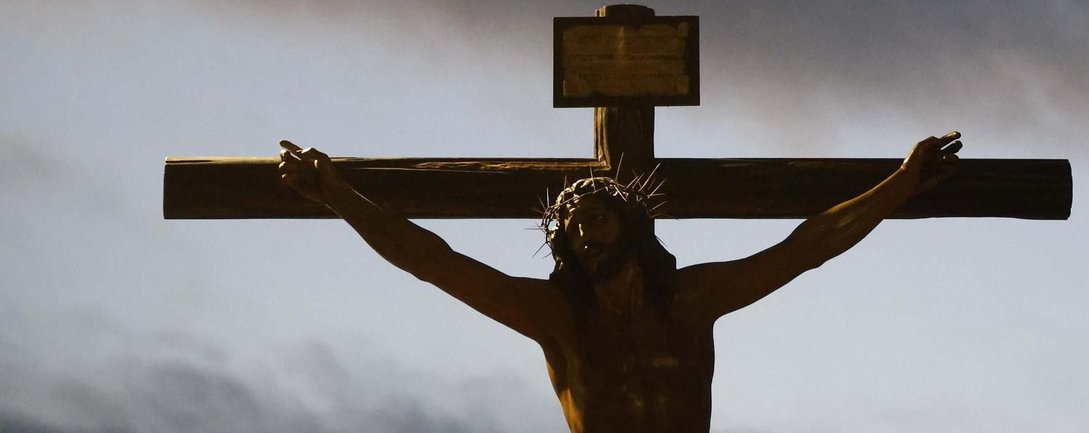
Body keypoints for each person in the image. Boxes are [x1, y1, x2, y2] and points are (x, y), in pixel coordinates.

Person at [278, 131, 962, 433]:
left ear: (630, 227)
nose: (583, 233)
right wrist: (340, 197)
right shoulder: (558, 318)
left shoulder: (690, 303)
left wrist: (899, 185)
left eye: (596, 219)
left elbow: (805, 247)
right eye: (572, 229)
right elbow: (433, 260)